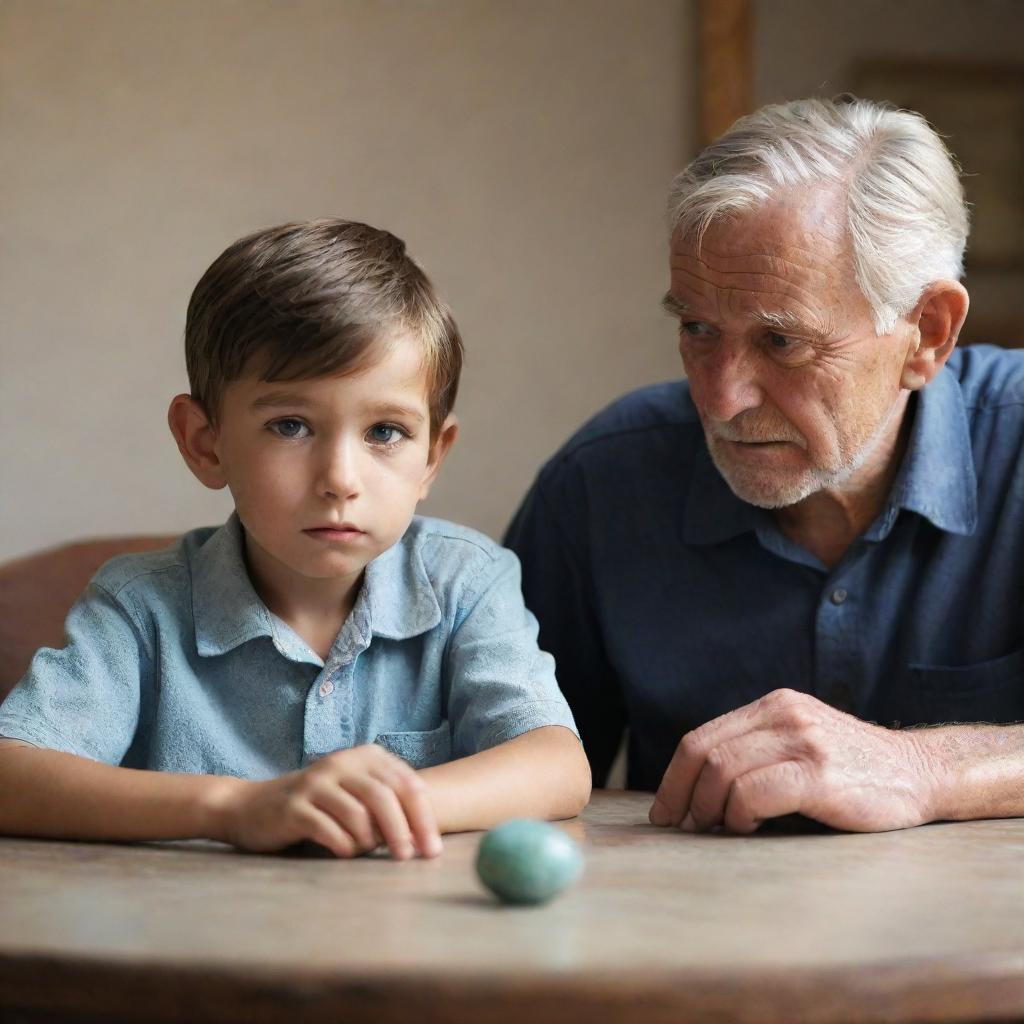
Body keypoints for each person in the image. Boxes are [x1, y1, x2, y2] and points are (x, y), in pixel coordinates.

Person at [506, 96, 1024, 836]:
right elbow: (500, 764)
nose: (720, 398)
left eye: (782, 343)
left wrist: (923, 770)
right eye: (697, 328)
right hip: (694, 942)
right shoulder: (602, 484)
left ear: (927, 334)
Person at [0, 219, 590, 858]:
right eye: (290, 425)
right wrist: (236, 807)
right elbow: (13, 775)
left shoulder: (466, 582)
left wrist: (374, 807)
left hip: (406, 945)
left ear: (432, 457)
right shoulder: (139, 606)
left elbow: (557, 765)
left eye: (386, 432)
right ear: (206, 443)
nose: (340, 479)